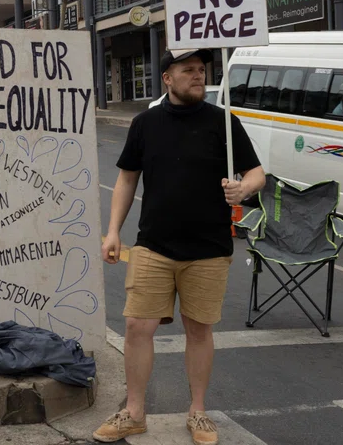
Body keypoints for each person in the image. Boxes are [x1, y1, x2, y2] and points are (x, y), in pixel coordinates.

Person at [94, 49, 266, 445]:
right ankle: (134, 412)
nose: (197, 76)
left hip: (209, 248)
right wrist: (113, 231)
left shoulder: (223, 122)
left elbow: (257, 173)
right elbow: (126, 180)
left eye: (202, 70)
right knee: (138, 326)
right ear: (167, 78)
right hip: (154, 244)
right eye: (188, 70)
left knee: (199, 330)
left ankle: (198, 412)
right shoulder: (145, 123)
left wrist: (244, 187)